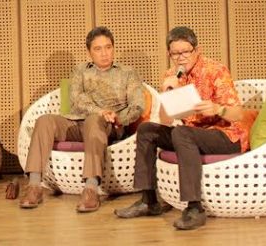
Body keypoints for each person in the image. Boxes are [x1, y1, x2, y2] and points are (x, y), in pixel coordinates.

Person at [115, 26, 250, 230]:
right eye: (175, 54)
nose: (181, 58)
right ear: (169, 54)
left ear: (197, 50)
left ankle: (195, 208)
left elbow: (238, 114)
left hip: (225, 136)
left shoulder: (215, 70)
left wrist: (217, 109)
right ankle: (148, 200)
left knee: (182, 133)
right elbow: (165, 121)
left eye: (185, 52)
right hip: (190, 135)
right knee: (147, 130)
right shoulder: (171, 75)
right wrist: (168, 94)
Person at [20, 26, 145, 213]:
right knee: (44, 120)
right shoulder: (80, 71)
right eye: (98, 49)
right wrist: (100, 111)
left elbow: (138, 105)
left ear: (113, 48)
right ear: (89, 53)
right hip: (76, 122)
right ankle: (34, 186)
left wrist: (117, 118)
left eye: (108, 47)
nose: (104, 53)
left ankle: (91, 189)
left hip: (107, 125)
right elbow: (76, 99)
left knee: (94, 120)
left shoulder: (128, 73)